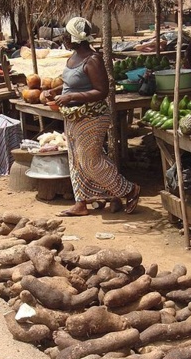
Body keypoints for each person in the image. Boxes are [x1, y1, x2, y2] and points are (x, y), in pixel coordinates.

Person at [44, 17, 140, 217]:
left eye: (66, 35)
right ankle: (81, 202)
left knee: (90, 161)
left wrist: (70, 96)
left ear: (74, 38)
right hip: (73, 115)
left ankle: (129, 190)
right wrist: (55, 92)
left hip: (92, 116)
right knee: (75, 160)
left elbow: (102, 91)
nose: (63, 39)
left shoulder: (93, 59)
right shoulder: (73, 57)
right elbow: (71, 83)